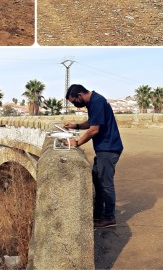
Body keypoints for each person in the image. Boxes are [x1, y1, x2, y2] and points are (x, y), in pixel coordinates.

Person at [64, 84, 123, 229]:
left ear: (79, 95)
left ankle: (109, 217)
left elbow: (94, 130)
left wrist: (77, 143)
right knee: (97, 178)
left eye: (74, 102)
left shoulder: (97, 101)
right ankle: (98, 214)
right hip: (104, 149)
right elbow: (93, 122)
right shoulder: (93, 102)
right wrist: (76, 126)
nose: (75, 105)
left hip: (108, 149)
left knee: (106, 184)